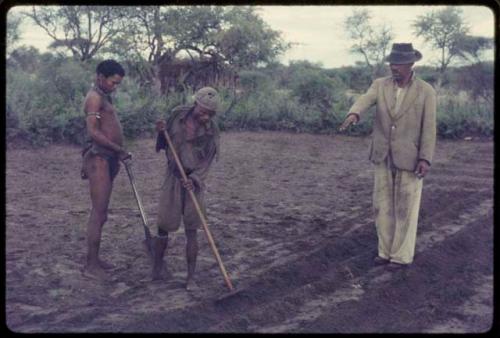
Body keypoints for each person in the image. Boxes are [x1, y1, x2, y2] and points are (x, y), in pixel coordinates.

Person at [339, 43, 437, 269]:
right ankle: (384, 252)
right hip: (382, 154)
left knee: (406, 207)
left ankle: (401, 256)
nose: (394, 67)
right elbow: (365, 99)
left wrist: (425, 158)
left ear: (411, 64)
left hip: (410, 157)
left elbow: (429, 128)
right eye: (392, 63)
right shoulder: (380, 85)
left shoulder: (426, 91)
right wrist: (354, 114)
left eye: (399, 63)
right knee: (382, 206)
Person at [153, 86, 221, 290]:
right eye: (203, 111)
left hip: (194, 182)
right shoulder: (176, 115)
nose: (206, 117)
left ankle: (191, 278)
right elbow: (163, 144)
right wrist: (160, 132)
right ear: (195, 105)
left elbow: (208, 161)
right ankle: (157, 268)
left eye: (210, 114)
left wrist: (194, 179)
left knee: (192, 229)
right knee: (163, 225)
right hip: (173, 177)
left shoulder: (212, 131)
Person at [81, 59, 131, 280]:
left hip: (109, 159)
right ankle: (91, 265)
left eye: (118, 83)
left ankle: (96, 259)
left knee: (103, 215)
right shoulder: (93, 99)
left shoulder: (104, 97)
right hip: (99, 159)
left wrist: (118, 152)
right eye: (113, 82)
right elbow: (93, 133)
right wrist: (118, 149)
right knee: (98, 212)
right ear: (101, 77)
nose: (115, 86)